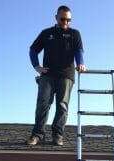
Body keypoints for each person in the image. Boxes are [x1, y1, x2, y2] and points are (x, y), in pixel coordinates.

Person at [27, 5, 86, 146]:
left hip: (66, 75)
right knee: (43, 103)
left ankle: (57, 135)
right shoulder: (47, 33)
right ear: (56, 17)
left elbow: (79, 52)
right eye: (63, 19)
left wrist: (81, 63)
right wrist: (36, 67)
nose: (66, 22)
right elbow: (33, 50)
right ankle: (37, 135)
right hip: (48, 74)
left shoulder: (74, 34)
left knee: (62, 106)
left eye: (69, 20)